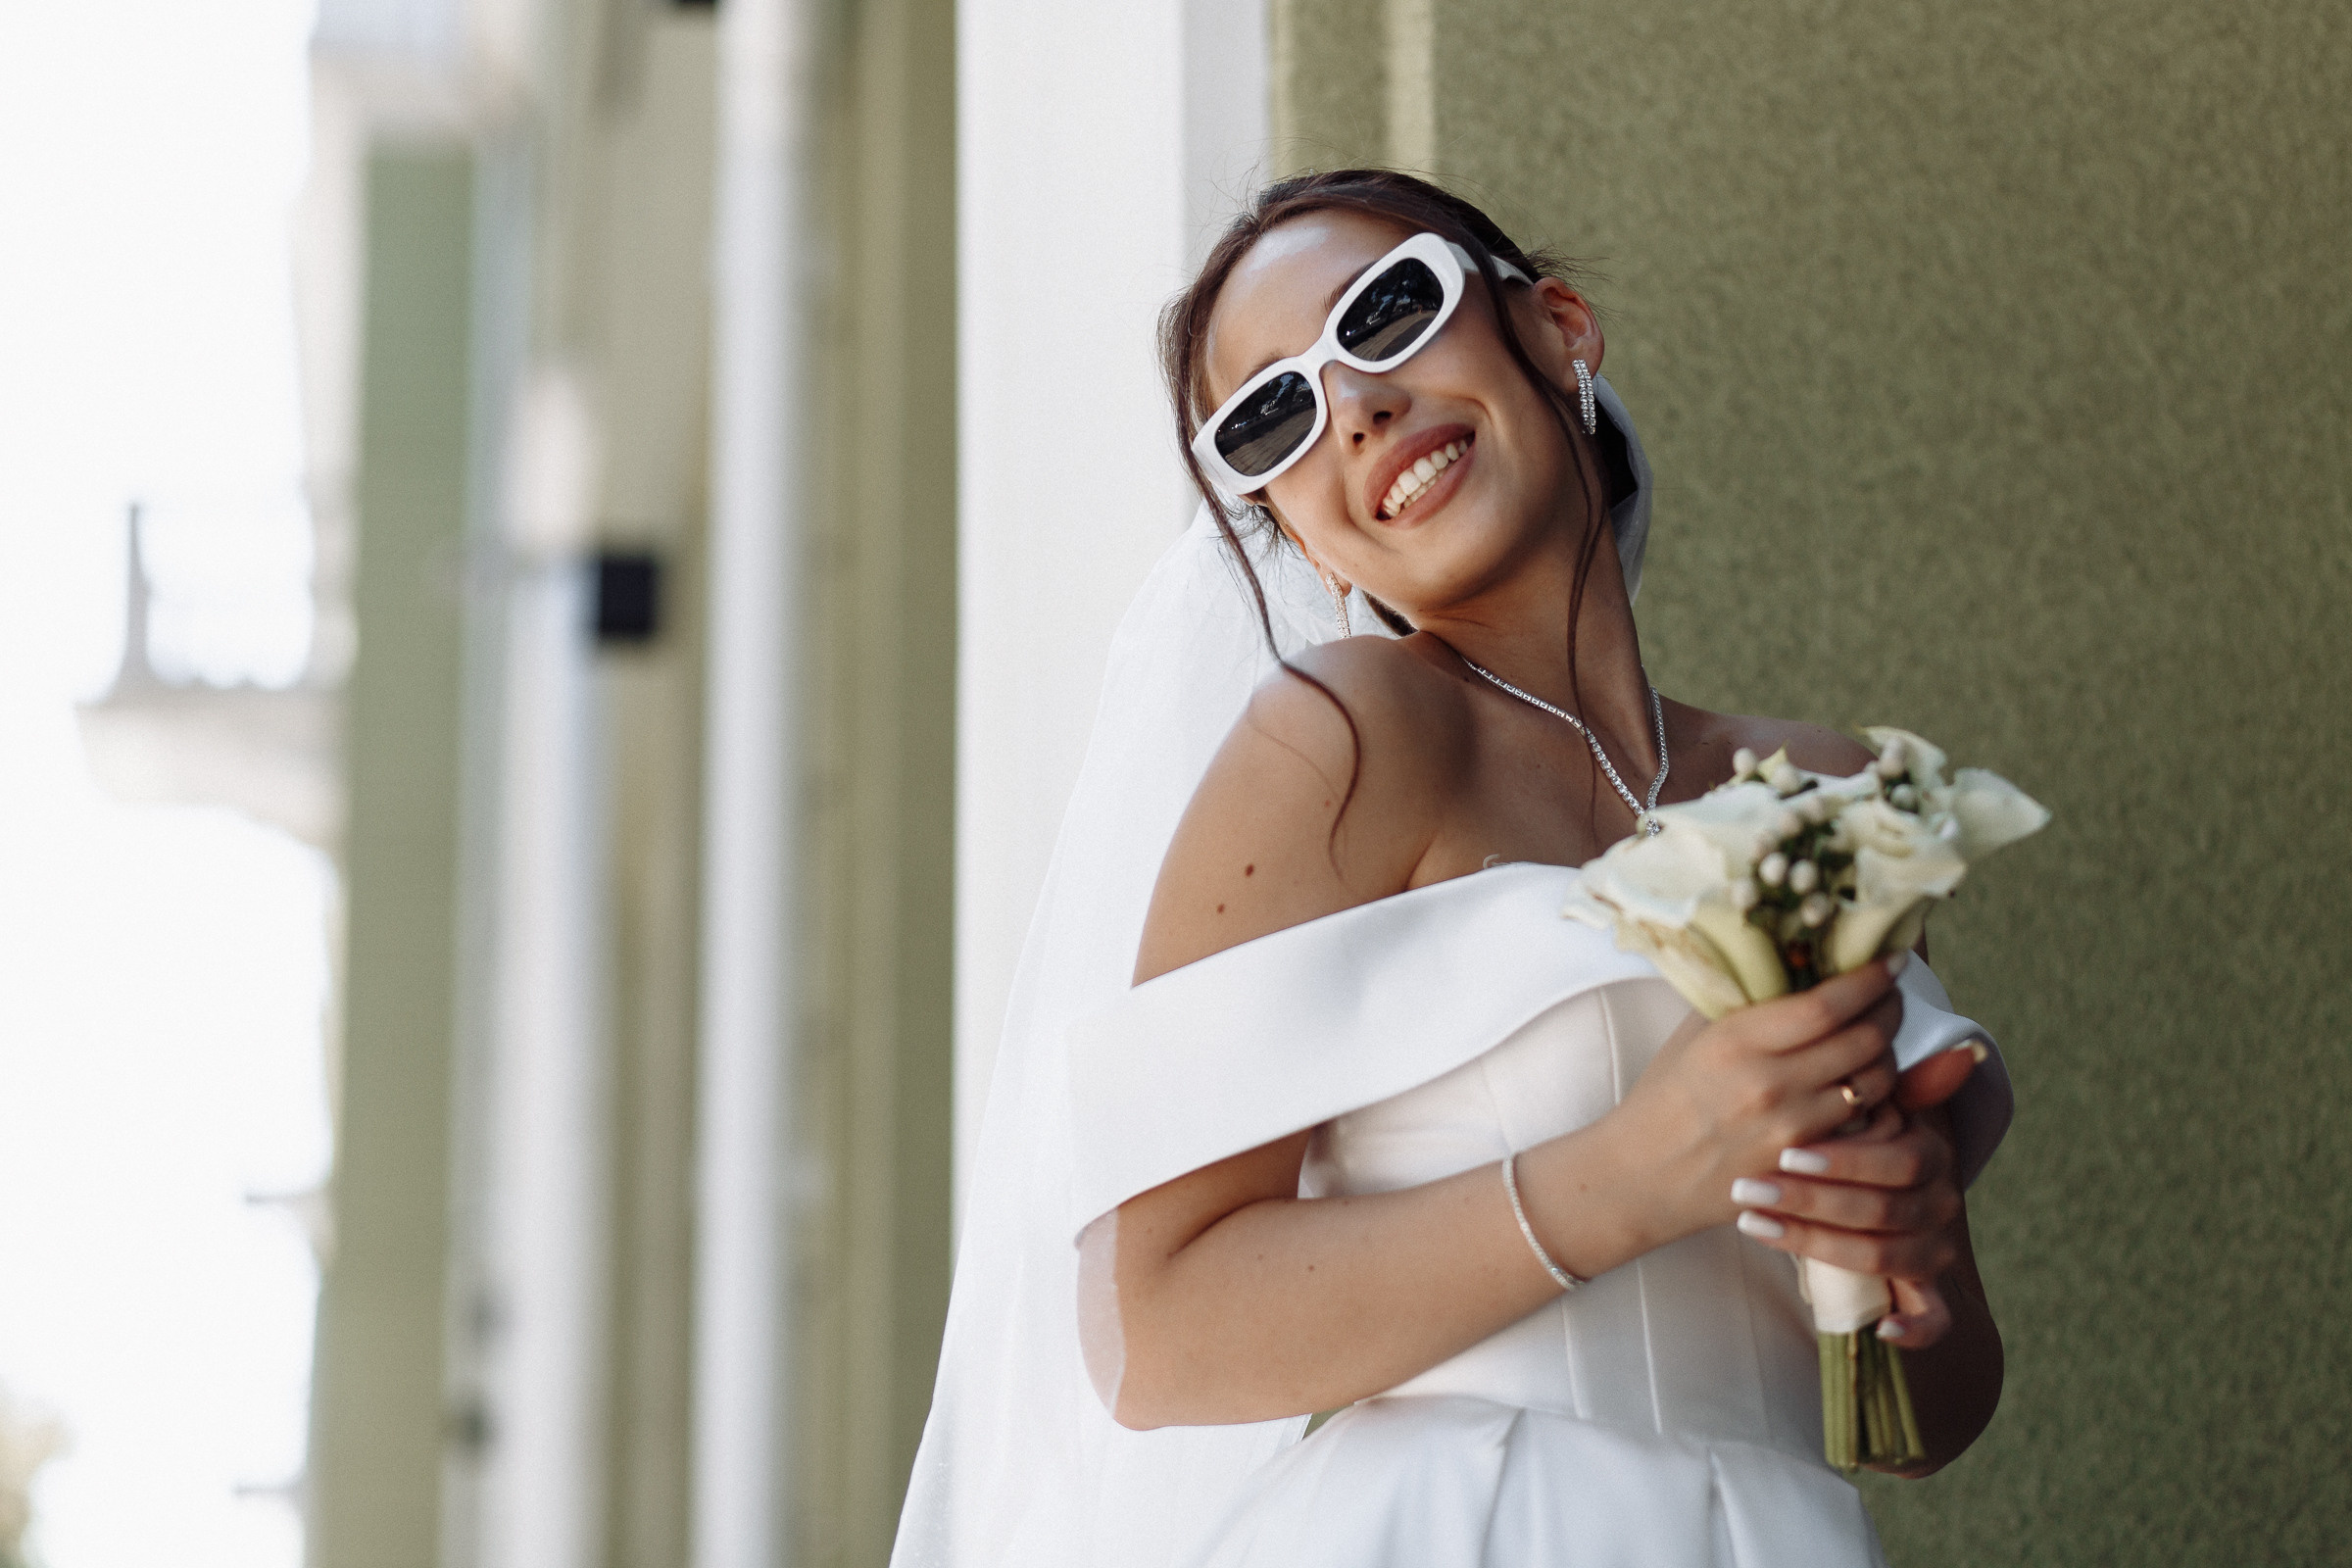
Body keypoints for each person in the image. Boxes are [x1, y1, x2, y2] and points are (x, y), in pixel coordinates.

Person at [894, 170, 2012, 1568]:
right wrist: (1634, 1174)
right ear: (1296, 530)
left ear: (1555, 329)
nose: (1352, 404)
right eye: (1274, 418)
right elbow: (1153, 1329)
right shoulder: (1352, 740)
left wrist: (1910, 1250)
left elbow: (1922, 1424)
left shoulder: (1822, 798)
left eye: (1390, 312)